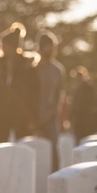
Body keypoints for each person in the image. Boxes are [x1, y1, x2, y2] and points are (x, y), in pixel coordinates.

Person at [0, 22, 39, 145]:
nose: (2, 48)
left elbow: (34, 92)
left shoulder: (27, 66)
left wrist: (32, 116)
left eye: (4, 45)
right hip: (1, 113)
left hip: (21, 114)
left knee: (23, 146)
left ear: (13, 46)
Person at [33, 30, 65, 171]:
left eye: (53, 46)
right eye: (48, 46)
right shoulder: (32, 69)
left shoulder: (58, 70)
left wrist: (52, 112)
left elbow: (59, 95)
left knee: (53, 152)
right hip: (32, 118)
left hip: (50, 117)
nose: (51, 49)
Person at [69, 66, 97, 143]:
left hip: (86, 119)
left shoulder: (88, 88)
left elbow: (90, 103)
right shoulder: (77, 89)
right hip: (78, 119)